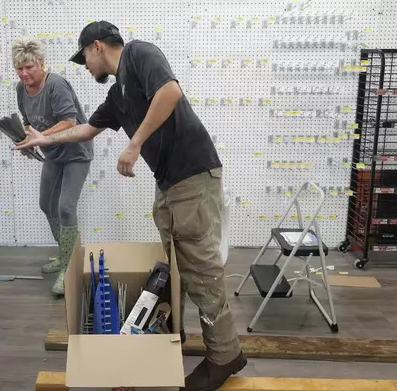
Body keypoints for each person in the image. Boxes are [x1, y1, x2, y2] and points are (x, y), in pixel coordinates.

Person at [15, 21, 246, 391]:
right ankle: (177, 336)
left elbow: (169, 92)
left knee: (201, 271)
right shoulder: (117, 97)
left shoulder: (139, 53)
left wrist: (135, 143)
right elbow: (86, 130)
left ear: (97, 47)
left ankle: (224, 355)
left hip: (193, 175)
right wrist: (45, 136)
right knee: (177, 267)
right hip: (170, 183)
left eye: (84, 59)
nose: (85, 67)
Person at [12, 36, 94, 295]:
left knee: (66, 207)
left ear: (41, 64)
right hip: (53, 154)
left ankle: (68, 268)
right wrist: (28, 139)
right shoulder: (20, 89)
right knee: (46, 204)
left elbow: (70, 121)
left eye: (29, 67)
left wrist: (42, 138)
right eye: (19, 68)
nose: (24, 73)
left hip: (76, 153)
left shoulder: (55, 84)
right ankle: (64, 254)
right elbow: (29, 123)